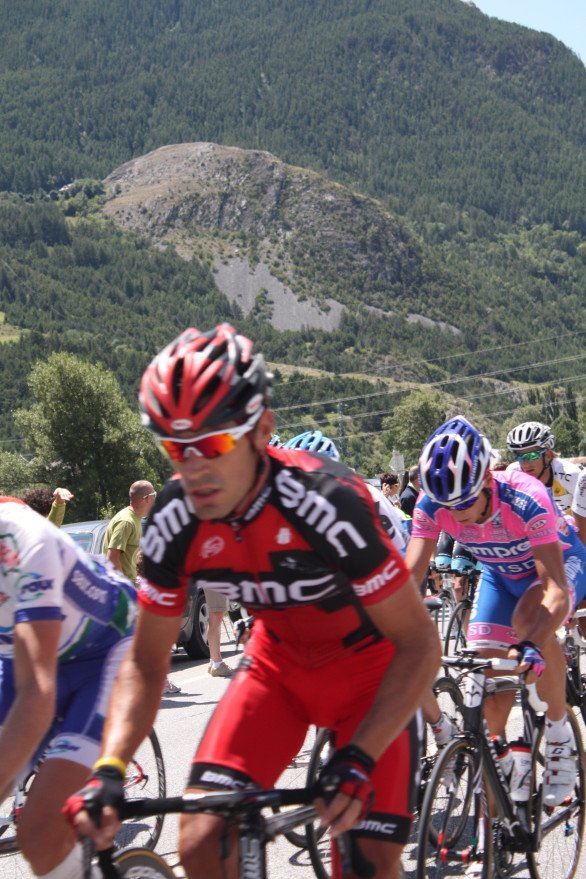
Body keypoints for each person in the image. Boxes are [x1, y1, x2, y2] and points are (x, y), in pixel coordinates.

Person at [65, 324, 440, 879]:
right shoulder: (174, 517)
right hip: (277, 671)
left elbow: (417, 644)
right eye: (175, 448)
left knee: (366, 860)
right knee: (200, 843)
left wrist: (359, 757)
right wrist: (110, 767)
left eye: (213, 444)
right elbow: (146, 663)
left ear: (261, 430)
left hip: (370, 675)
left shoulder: (327, 503)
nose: (193, 469)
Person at [406, 415, 586, 807]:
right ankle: (507, 758)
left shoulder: (525, 495)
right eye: (446, 506)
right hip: (500, 573)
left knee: (529, 623)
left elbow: (553, 586)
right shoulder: (431, 503)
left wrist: (534, 644)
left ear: (488, 479)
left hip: (559, 565)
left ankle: (559, 733)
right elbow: (408, 578)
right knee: (486, 677)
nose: (456, 515)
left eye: (466, 502)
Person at [0, 496, 136, 879]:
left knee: (39, 832)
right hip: (23, 660)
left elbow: (37, 693)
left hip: (104, 653)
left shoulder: (22, 538)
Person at [505, 421, 586, 528]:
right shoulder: (513, 474)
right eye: (520, 457)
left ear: (547, 455)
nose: (525, 463)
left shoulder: (570, 474)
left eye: (531, 455)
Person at [103, 480, 156, 583]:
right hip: (121, 590)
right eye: (154, 495)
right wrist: (125, 587)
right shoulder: (126, 521)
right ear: (148, 498)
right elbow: (112, 558)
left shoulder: (135, 518)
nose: (155, 499)